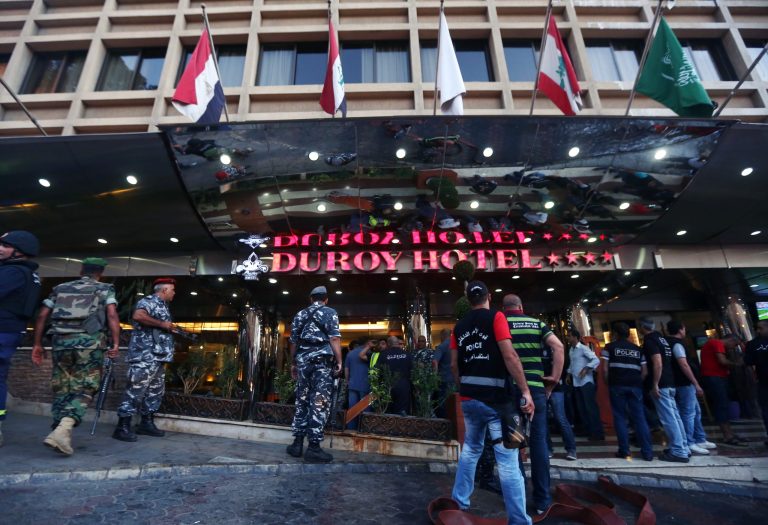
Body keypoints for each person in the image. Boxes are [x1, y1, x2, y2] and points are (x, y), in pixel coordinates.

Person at [451, 281, 534, 525]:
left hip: (469, 400)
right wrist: (525, 390)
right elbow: (510, 355)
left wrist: (463, 388)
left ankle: (459, 502)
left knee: (470, 450)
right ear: (489, 296)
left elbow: (454, 365)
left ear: (468, 299)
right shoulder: (497, 317)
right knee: (508, 459)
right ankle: (519, 520)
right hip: (499, 403)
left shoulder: (459, 326)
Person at [31, 257, 119, 455]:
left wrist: (37, 344)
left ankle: (59, 432)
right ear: (100, 273)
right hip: (89, 345)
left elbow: (42, 315)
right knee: (87, 387)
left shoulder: (60, 288)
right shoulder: (104, 289)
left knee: (62, 386)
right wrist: (115, 343)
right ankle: (63, 429)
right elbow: (112, 315)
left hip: (60, 343)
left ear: (81, 271)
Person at [503, 293, 565, 513]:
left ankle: (518, 497)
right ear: (521, 306)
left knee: (514, 444)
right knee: (539, 443)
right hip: (537, 389)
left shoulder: (500, 324)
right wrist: (554, 379)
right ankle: (542, 500)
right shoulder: (536, 323)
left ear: (504, 308)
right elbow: (558, 347)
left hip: (511, 391)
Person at [112, 278, 177, 443]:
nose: (174, 293)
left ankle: (146, 423)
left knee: (155, 391)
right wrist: (162, 324)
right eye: (172, 290)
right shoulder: (149, 301)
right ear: (164, 290)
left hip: (158, 357)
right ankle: (122, 427)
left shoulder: (163, 305)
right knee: (135, 390)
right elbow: (138, 315)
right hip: (144, 356)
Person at [285, 286, 342, 463]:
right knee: (319, 401)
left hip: (303, 362)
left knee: (302, 400)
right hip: (321, 364)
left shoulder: (300, 314)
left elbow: (293, 341)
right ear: (326, 299)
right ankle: (314, 447)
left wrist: (293, 363)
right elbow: (334, 338)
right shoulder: (330, 312)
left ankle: (297, 444)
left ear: (311, 299)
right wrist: (339, 360)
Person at [0, 231, 41, 447]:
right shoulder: (29, 274)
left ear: (20, 251)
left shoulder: (12, 272)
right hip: (10, 332)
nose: (0, 249)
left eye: (5, 246)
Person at [601, 322, 653, 461]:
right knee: (639, 418)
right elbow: (645, 371)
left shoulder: (609, 348)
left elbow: (605, 369)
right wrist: (637, 382)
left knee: (620, 418)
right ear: (629, 334)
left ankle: (624, 450)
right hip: (635, 386)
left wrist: (608, 382)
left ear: (615, 334)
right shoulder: (638, 350)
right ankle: (647, 452)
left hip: (617, 385)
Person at [640, 318, 688, 462]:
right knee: (675, 416)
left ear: (642, 327)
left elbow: (657, 362)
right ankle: (683, 447)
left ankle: (679, 451)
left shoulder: (650, 341)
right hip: (670, 382)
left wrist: (655, 383)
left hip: (661, 384)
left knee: (668, 419)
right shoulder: (663, 339)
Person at [666, 320, 716, 455]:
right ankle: (690, 441)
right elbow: (683, 364)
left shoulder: (667, 343)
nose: (685, 331)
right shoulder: (677, 344)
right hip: (684, 382)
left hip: (679, 382)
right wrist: (695, 383)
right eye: (684, 328)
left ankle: (700, 438)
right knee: (688, 413)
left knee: (695, 411)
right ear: (680, 329)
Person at [700, 333, 745, 446]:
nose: (733, 348)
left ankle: (729, 433)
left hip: (716, 377)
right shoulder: (717, 343)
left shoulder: (713, 343)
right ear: (731, 340)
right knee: (721, 405)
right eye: (735, 345)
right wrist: (736, 364)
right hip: (715, 377)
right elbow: (722, 361)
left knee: (723, 404)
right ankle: (727, 435)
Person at [566, 329, 604, 441]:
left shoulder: (583, 348)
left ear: (575, 337)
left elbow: (596, 360)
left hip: (586, 382)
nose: (568, 338)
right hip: (576, 382)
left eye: (569, 336)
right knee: (581, 408)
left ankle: (597, 432)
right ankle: (587, 429)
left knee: (590, 408)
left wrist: (586, 368)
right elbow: (572, 364)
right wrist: (569, 374)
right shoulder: (571, 350)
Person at [542, 343, 577, 461]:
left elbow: (564, 365)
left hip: (556, 387)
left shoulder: (556, 348)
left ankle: (571, 449)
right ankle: (549, 448)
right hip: (542, 387)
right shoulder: (539, 347)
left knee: (560, 418)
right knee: (543, 419)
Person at [745, 320, 768, 447]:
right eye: (757, 328)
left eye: (761, 328)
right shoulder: (753, 344)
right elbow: (748, 363)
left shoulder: (753, 344)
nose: (758, 331)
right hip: (763, 382)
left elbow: (748, 364)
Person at [377, 335, 413, 415]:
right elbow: (413, 370)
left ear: (388, 344)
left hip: (388, 386)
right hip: (404, 386)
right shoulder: (407, 354)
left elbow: (378, 370)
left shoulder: (383, 354)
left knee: (388, 411)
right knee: (403, 412)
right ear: (397, 343)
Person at [345, 339, 373, 430]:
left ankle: (351, 428)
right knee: (366, 408)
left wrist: (347, 381)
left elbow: (346, 370)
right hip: (366, 385)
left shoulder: (350, 354)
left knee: (352, 408)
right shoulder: (368, 353)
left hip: (352, 384)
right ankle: (365, 429)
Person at [433, 328, 455, 418]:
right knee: (454, 403)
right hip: (455, 379)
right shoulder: (457, 345)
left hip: (444, 380)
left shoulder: (441, 346)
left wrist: (434, 378)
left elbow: (435, 362)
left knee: (442, 404)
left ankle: (444, 423)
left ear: (442, 336)